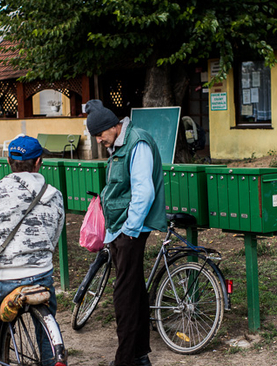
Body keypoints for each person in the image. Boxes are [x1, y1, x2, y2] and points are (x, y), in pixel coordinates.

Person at [0, 135, 65, 366]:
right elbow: (55, 236)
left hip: (2, 280)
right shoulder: (54, 195)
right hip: (41, 277)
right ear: (39, 162)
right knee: (47, 337)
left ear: (8, 160)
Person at [84, 99, 166, 366]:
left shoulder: (137, 142)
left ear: (112, 126)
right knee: (133, 292)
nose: (99, 141)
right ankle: (140, 355)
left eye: (99, 134)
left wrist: (129, 231)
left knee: (124, 297)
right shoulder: (122, 142)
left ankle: (125, 359)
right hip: (122, 227)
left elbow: (144, 192)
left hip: (130, 229)